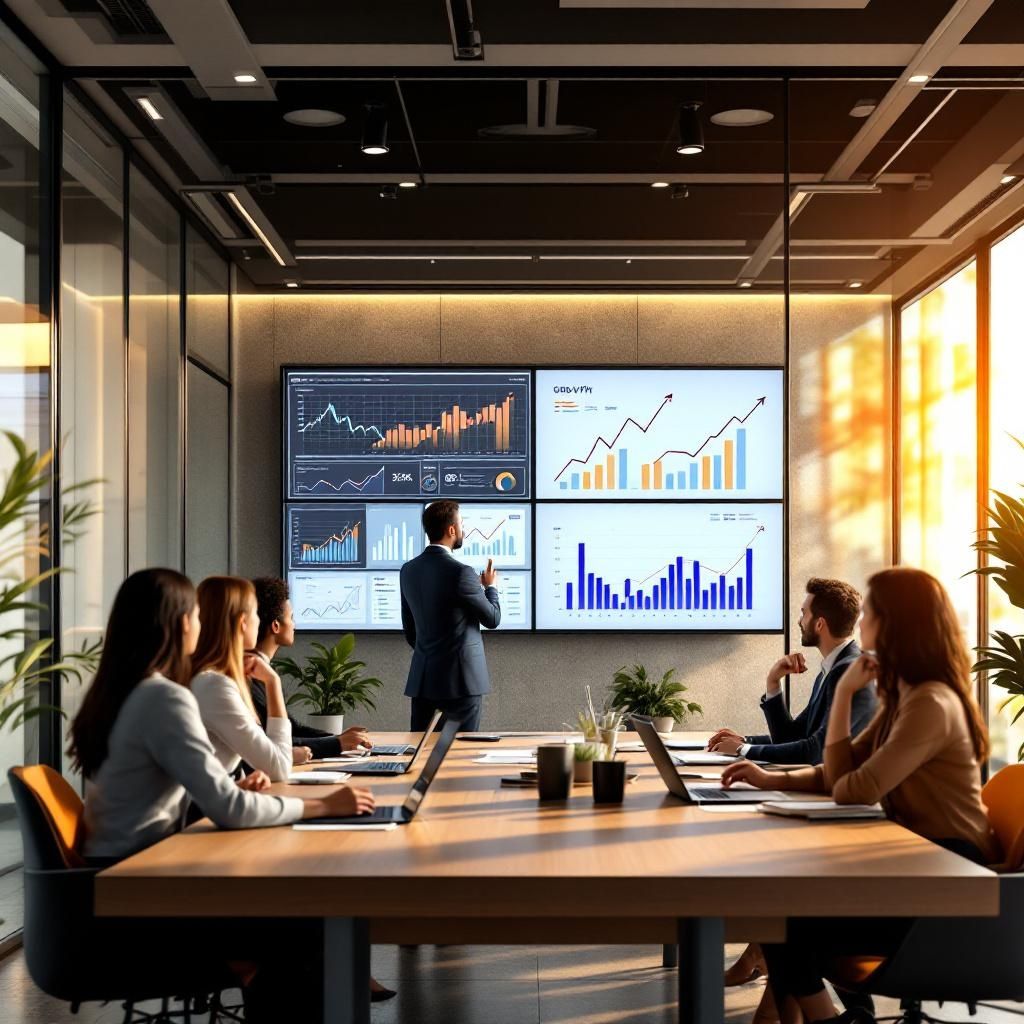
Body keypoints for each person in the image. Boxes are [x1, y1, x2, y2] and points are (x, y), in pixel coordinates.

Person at [69, 568, 375, 1022]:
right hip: (142, 901)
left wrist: (228, 784)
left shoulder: (135, 692)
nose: (201, 621)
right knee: (309, 921)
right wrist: (325, 805)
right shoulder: (165, 699)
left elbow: (188, 789)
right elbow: (228, 810)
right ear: (177, 623)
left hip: (129, 882)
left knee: (304, 918)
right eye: (194, 612)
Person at [721, 567, 998, 1024]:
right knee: (781, 912)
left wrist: (847, 693)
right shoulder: (906, 698)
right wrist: (769, 781)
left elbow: (852, 789)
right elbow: (836, 772)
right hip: (918, 863)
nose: (861, 623)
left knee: (788, 922)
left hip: (946, 877)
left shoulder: (929, 703)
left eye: (870, 613)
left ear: (893, 624)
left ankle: (829, 1020)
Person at [708, 577, 877, 766]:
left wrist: (744, 750)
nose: (799, 621)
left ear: (820, 624)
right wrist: (773, 681)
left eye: (804, 614)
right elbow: (793, 736)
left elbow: (816, 750)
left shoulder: (847, 670)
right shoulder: (831, 669)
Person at [400, 500, 500, 732]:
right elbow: (492, 619)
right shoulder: (461, 573)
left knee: (422, 753)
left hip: (423, 682)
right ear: (451, 529)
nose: (463, 529)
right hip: (461, 683)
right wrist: (490, 588)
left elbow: (410, 631)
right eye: (462, 524)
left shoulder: (408, 570)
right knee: (460, 753)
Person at [249, 576, 372, 763]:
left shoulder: (263, 670)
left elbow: (291, 728)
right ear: (276, 626)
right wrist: (337, 743)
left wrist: (337, 739)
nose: (294, 624)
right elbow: (275, 741)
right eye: (291, 618)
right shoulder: (250, 676)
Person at [190, 576, 294, 782]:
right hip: (203, 815)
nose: (259, 620)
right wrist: (273, 683)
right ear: (242, 623)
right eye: (256, 613)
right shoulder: (215, 686)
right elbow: (279, 768)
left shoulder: (206, 678)